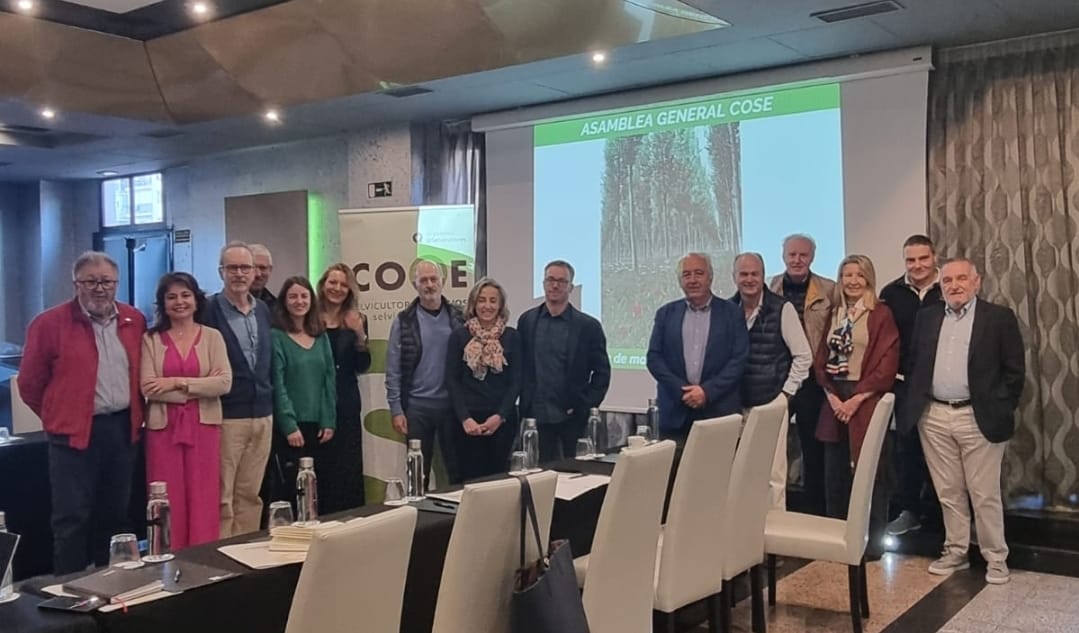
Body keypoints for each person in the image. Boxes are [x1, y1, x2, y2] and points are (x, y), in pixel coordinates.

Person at [18, 251, 145, 573]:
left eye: (106, 281)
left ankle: (112, 582)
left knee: (115, 514)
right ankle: (69, 589)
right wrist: (58, 415)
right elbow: (30, 384)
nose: (99, 288)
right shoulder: (49, 324)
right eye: (90, 281)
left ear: (117, 283)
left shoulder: (134, 320)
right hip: (72, 435)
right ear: (76, 284)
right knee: (72, 518)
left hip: (122, 430)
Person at [899, 258, 1024, 584]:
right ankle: (956, 552)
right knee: (948, 491)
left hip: (978, 417)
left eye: (961, 279)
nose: (954, 285)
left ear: (976, 282)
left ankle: (995, 558)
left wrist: (999, 406)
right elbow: (914, 364)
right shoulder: (927, 317)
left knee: (984, 494)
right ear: (940, 285)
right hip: (934, 416)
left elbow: (1015, 372)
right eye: (947, 280)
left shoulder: (998, 318)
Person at [814, 254, 898, 557]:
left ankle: (872, 543)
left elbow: (887, 365)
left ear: (868, 279)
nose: (852, 281)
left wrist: (856, 399)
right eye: (847, 275)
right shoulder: (834, 313)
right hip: (835, 398)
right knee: (834, 474)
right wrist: (833, 397)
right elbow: (821, 360)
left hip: (865, 398)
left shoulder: (880, 314)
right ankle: (838, 540)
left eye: (859, 275)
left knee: (871, 472)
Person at [140, 272, 232, 550]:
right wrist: (200, 386)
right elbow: (148, 387)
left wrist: (176, 382)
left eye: (185, 295)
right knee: (167, 495)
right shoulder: (151, 339)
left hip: (204, 427)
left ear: (196, 300)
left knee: (203, 494)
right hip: (163, 430)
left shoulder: (213, 337)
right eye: (171, 297)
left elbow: (224, 383)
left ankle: (203, 555)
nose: (179, 302)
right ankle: (168, 554)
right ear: (163, 304)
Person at [199, 241, 274, 538]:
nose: (239, 274)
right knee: (223, 495)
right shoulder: (208, 311)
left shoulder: (263, 310)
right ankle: (222, 553)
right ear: (221, 272)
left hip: (263, 415)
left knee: (251, 494)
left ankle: (246, 549)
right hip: (227, 416)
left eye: (245, 267)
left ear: (255, 271)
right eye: (232, 268)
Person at [730, 253, 812, 509]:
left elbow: (803, 356)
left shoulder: (782, 308)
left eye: (754, 274)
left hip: (770, 402)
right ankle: (742, 527)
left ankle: (776, 528)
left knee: (773, 476)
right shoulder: (726, 310)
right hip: (734, 405)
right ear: (734, 277)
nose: (749, 279)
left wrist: (785, 395)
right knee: (738, 473)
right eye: (743, 274)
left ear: (763, 276)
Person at [880, 235, 944, 537]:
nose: (917, 265)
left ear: (935, 257)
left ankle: (946, 518)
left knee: (944, 456)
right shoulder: (890, 293)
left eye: (923, 258)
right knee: (907, 452)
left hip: (943, 388)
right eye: (911, 260)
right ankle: (910, 512)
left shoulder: (949, 288)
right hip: (905, 387)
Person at [647, 252, 748, 439]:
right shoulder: (665, 314)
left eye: (699, 273)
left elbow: (739, 360)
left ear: (710, 277)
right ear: (680, 281)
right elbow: (654, 358)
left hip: (719, 413)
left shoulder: (732, 313)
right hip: (675, 414)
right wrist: (683, 391)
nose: (692, 280)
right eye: (686, 275)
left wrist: (706, 392)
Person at [517, 260, 611, 460]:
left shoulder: (588, 326)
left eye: (561, 281)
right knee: (538, 473)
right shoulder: (527, 321)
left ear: (570, 287)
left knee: (575, 472)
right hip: (535, 417)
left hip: (572, 417)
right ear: (543, 283)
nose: (555, 285)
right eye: (550, 280)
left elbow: (602, 373)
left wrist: (584, 406)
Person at [770, 233, 835, 516]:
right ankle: (774, 511)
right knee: (772, 448)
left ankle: (814, 512)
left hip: (812, 381)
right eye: (792, 255)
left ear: (812, 257)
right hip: (777, 379)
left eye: (803, 255)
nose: (797, 260)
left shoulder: (829, 290)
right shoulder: (769, 288)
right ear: (783, 256)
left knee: (813, 448)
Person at [385, 259, 465, 485]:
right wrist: (396, 409)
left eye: (433, 279)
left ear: (442, 281)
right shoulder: (403, 321)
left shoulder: (459, 318)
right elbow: (393, 369)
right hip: (417, 409)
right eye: (423, 280)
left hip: (452, 408)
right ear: (415, 285)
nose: (429, 285)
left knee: (456, 471)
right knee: (417, 475)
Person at [271, 277, 338, 509]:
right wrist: (289, 424)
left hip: (320, 428)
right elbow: (278, 383)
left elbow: (329, 379)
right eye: (293, 296)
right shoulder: (276, 337)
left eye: (304, 296)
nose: (299, 301)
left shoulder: (321, 336)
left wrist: (328, 420)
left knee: (322, 489)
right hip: (292, 429)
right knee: (293, 490)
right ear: (284, 301)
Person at [445, 278, 522, 480]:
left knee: (498, 483)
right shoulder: (458, 337)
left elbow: (516, 381)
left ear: (500, 306)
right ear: (473, 303)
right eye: (481, 300)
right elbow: (452, 380)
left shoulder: (512, 337)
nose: (487, 306)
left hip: (501, 423)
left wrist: (500, 417)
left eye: (493, 301)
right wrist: (465, 418)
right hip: (466, 423)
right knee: (466, 482)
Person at [316, 263, 372, 512]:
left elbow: (363, 365)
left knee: (347, 467)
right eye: (332, 282)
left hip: (347, 401)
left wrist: (359, 334)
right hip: (317, 402)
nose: (337, 288)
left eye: (343, 284)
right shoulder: (310, 318)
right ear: (323, 285)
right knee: (322, 466)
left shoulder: (357, 319)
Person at [249, 243, 276, 309]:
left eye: (263, 268)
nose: (258, 274)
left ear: (270, 270)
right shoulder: (225, 304)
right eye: (252, 267)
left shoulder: (278, 308)